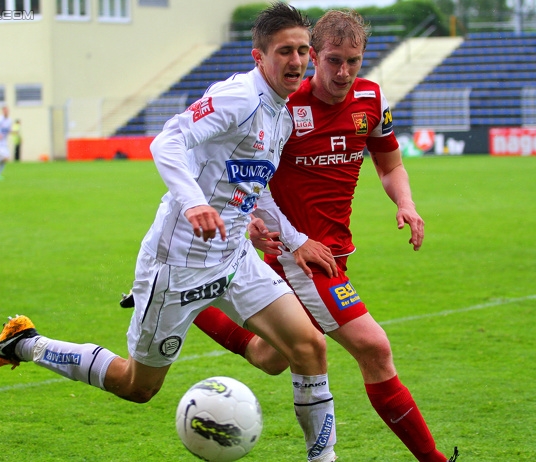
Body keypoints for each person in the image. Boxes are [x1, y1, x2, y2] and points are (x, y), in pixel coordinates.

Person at [0, 4, 341, 461]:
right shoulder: (239, 99)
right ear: (258, 56)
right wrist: (193, 203)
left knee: (306, 347)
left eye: (303, 51)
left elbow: (256, 189)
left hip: (232, 257)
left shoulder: (281, 115)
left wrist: (293, 239)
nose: (297, 61)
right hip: (179, 262)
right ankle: (26, 343)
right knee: (138, 385)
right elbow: (167, 140)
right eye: (285, 51)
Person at [121, 9, 458, 462]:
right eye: (332, 60)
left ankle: (192, 301)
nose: (343, 72)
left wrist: (406, 203)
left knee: (272, 357)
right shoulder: (283, 100)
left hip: (335, 251)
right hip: (298, 255)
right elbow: (236, 164)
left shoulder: (373, 99)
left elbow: (390, 162)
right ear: (314, 56)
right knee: (373, 348)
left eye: (353, 62)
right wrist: (261, 227)